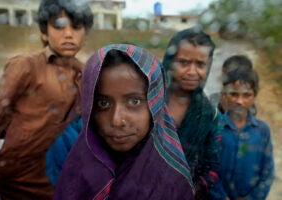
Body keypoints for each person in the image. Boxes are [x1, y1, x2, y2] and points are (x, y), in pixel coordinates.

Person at [53, 44, 195, 200]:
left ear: (155, 102)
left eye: (134, 101)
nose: (117, 120)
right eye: (103, 103)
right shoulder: (76, 163)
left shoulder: (170, 180)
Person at [0, 0, 93, 198]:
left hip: (53, 173)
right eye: (58, 26)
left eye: (76, 27)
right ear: (44, 32)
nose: (68, 33)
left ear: (85, 32)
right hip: (13, 174)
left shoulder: (86, 74)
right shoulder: (25, 67)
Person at [162, 27, 221, 199]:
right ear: (170, 62)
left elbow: (213, 167)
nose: (192, 72)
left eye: (200, 64)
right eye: (184, 62)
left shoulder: (208, 114)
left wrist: (189, 190)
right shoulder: (149, 99)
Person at [211, 67, 275, 200]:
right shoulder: (214, 127)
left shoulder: (262, 130)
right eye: (234, 94)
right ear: (224, 94)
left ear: (255, 96)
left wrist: (251, 198)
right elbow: (206, 168)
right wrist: (221, 197)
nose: (240, 101)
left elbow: (267, 172)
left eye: (246, 95)